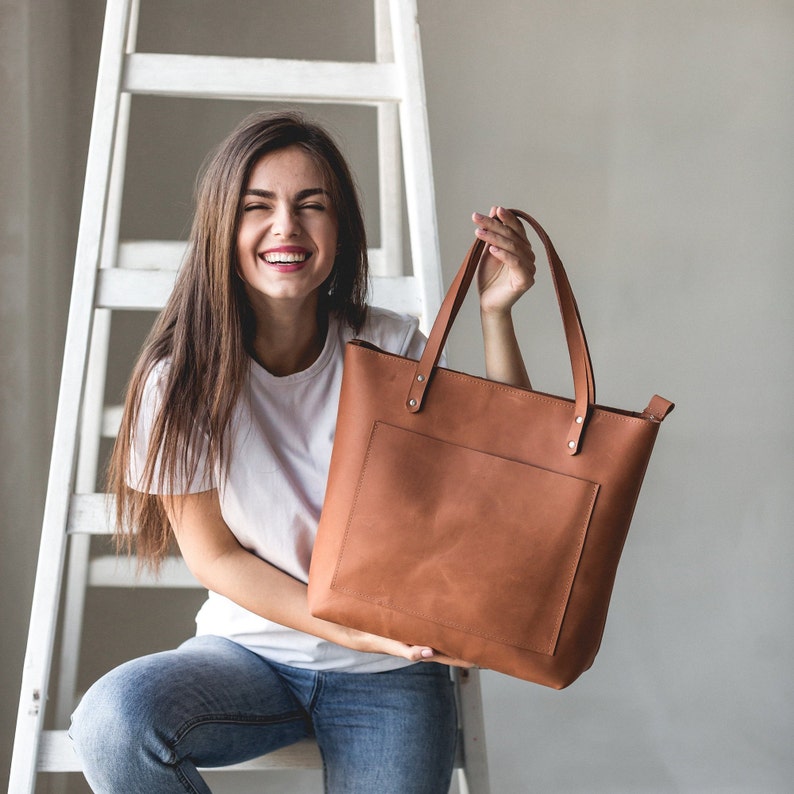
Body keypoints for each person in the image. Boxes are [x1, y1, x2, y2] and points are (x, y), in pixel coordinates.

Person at [69, 110, 536, 794]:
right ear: (222, 229)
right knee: (112, 721)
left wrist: (498, 313)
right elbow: (216, 557)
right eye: (258, 207)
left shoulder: (390, 346)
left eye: (310, 206)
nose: (285, 226)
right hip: (247, 653)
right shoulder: (177, 381)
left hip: (392, 673)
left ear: (339, 230)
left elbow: (509, 470)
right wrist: (351, 631)